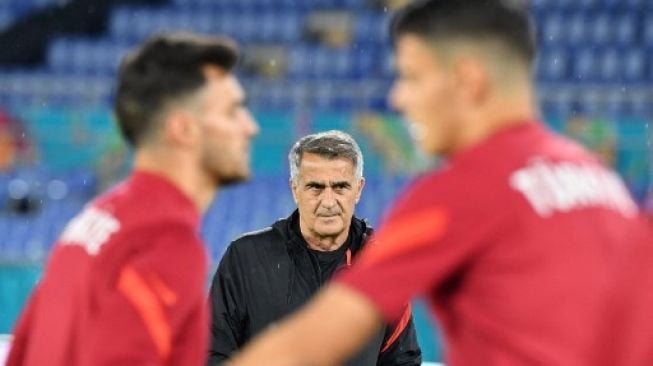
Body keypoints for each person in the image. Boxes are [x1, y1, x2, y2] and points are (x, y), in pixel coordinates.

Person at [229, 1, 653, 365]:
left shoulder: (470, 188)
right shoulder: (600, 181)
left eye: (412, 77)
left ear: (467, 80)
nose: (398, 98)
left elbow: (310, 343)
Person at [7, 32, 259, 366]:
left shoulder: (91, 222)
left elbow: (22, 353)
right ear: (182, 129)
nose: (250, 127)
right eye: (232, 111)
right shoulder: (165, 242)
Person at [207, 130, 421, 365]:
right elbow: (213, 354)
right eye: (315, 188)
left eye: (340, 187)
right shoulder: (245, 258)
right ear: (295, 189)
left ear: (358, 189)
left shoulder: (383, 265)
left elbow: (402, 361)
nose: (328, 202)